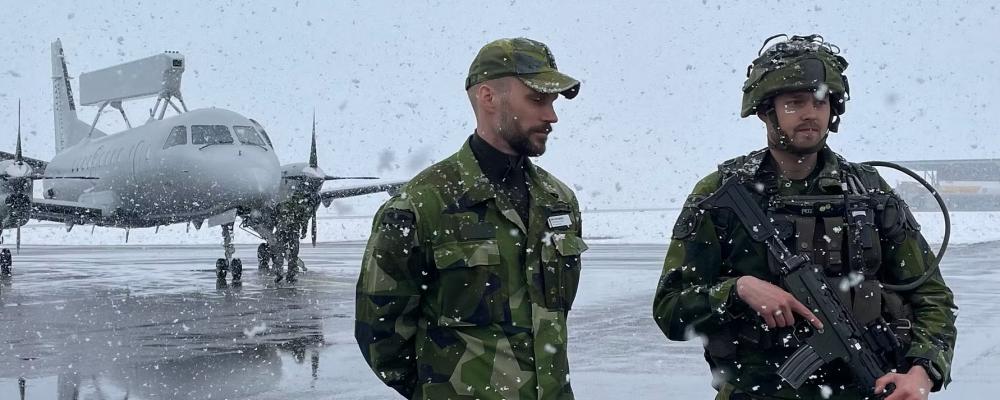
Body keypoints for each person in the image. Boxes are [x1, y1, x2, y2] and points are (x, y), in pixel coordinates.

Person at [652, 34, 957, 400]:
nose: (810, 113)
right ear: (766, 111)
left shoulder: (869, 193)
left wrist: (924, 370)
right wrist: (736, 291)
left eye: (819, 101)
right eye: (795, 103)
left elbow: (932, 297)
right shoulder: (722, 196)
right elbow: (670, 309)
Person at [355, 37, 587, 400]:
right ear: (488, 97)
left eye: (553, 103)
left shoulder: (557, 203)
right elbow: (380, 334)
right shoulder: (421, 205)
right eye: (537, 100)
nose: (551, 116)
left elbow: (550, 322)